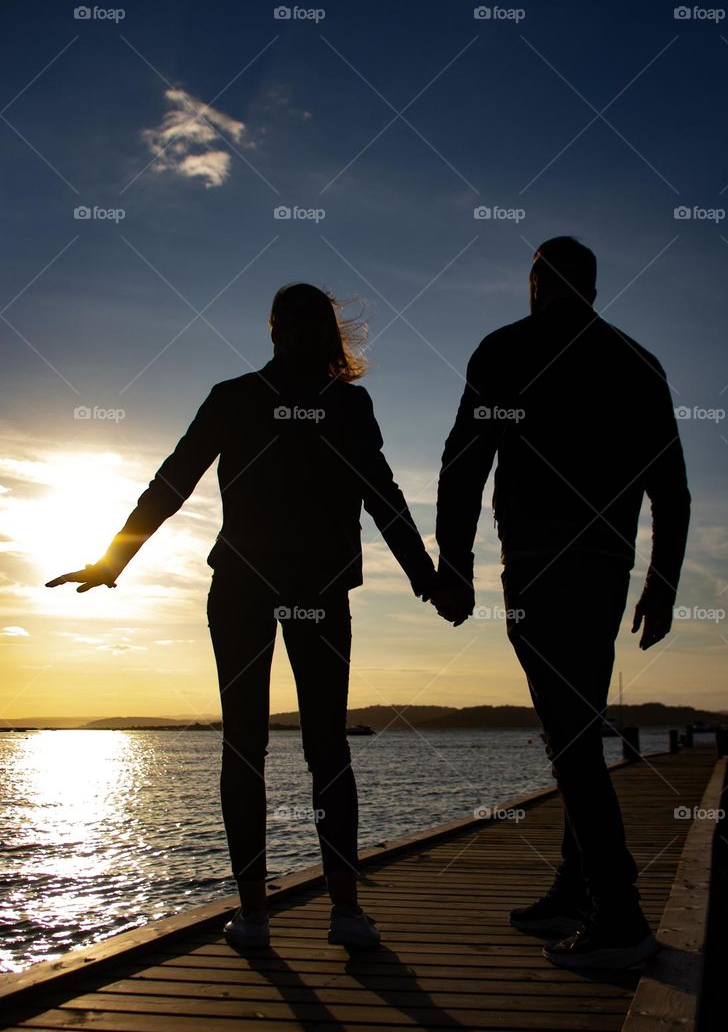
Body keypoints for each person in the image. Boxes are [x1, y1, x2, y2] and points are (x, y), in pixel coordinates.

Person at [47, 283, 436, 952]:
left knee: (265, 746)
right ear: (290, 331)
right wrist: (426, 576)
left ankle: (269, 915)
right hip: (282, 588)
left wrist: (426, 574)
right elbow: (378, 493)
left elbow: (175, 482)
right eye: (297, 325)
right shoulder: (322, 402)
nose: (300, 336)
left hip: (256, 589)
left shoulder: (274, 399)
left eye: (303, 325)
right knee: (311, 747)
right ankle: (312, 911)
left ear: (283, 330)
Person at [431, 237, 691, 969]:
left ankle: (620, 917)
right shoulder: (637, 362)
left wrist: (456, 569)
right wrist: (661, 584)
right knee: (577, 723)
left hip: (540, 567)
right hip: (608, 569)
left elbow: (463, 463)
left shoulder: (506, 349)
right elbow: (669, 490)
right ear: (594, 288)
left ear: (535, 286)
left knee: (568, 732)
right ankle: (575, 888)